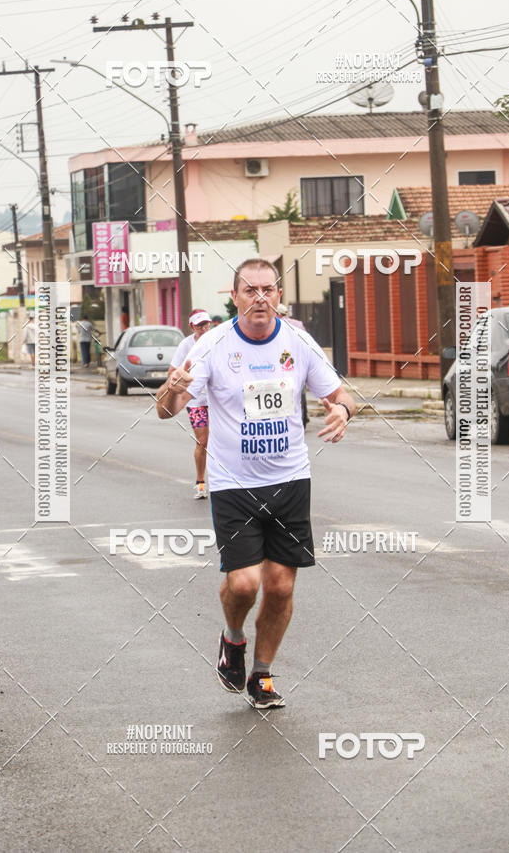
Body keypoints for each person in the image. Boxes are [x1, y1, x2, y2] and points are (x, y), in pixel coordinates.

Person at [157, 259, 355, 709]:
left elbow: (341, 394)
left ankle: (262, 676)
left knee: (281, 586)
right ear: (235, 297)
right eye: (250, 290)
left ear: (279, 295)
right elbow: (166, 410)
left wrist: (343, 411)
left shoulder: (298, 342)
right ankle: (232, 639)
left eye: (268, 289)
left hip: (290, 480)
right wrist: (172, 388)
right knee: (245, 584)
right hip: (233, 483)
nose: (260, 298)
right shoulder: (212, 345)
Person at [168, 310, 212, 499]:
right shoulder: (186, 345)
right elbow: (171, 371)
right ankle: (200, 482)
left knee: (227, 439)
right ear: (192, 327)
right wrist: (180, 379)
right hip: (196, 401)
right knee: (203, 441)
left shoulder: (217, 340)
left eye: (206, 324)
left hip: (218, 400)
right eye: (200, 325)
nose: (204, 328)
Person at [277, 304, 309, 426]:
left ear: (278, 314)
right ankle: (303, 417)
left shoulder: (276, 325)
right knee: (300, 392)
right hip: (297, 363)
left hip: (284, 363)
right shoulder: (298, 324)